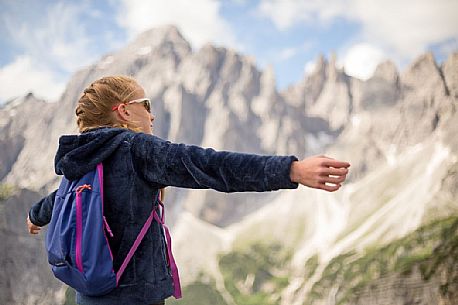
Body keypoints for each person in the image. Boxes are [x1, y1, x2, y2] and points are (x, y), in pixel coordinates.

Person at [26, 76, 350, 305]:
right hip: (135, 296)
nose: (152, 114)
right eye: (145, 104)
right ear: (124, 110)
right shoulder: (137, 148)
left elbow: (58, 199)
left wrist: (34, 216)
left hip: (88, 293)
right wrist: (291, 170)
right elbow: (210, 166)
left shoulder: (80, 157)